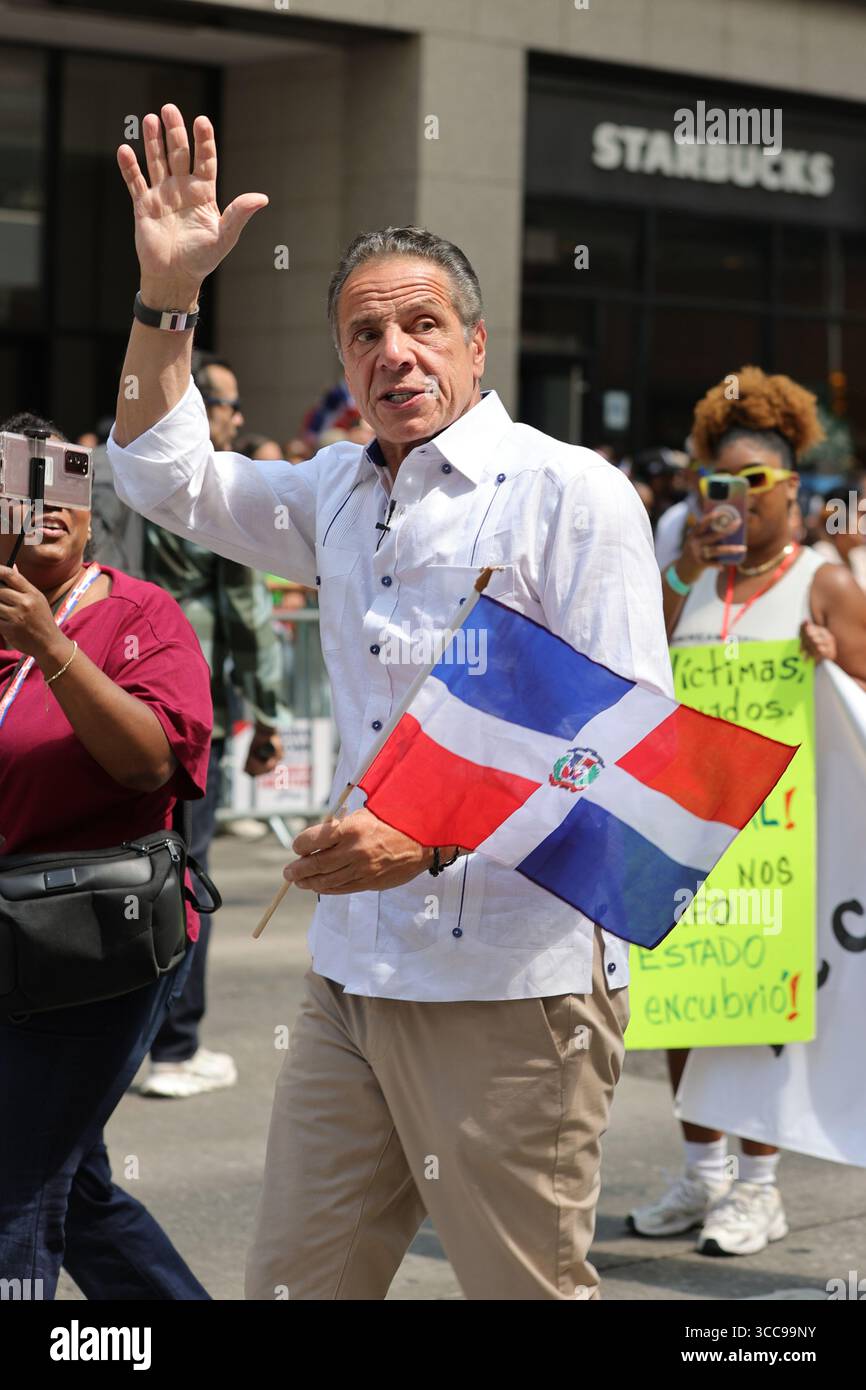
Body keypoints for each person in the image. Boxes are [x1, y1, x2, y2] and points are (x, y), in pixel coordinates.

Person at [108, 105, 672, 1301]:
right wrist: (166, 296)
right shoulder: (333, 489)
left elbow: (630, 752)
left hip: (515, 996)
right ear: (343, 365)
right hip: (352, 979)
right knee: (292, 1285)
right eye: (365, 334)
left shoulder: (573, 495)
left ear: (475, 347)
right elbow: (161, 475)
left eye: (422, 325)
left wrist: (425, 837)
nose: (393, 352)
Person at [632, 366, 866, 1256]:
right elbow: (631, 663)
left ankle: (760, 1189)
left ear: (792, 489)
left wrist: (832, 663)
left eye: (748, 483)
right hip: (685, 831)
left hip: (781, 843)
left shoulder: (823, 583)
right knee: (681, 1008)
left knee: (757, 1009)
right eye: (712, 484)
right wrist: (683, 565)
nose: (728, 499)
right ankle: (704, 1178)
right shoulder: (682, 576)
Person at [0, 411, 212, 1299]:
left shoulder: (138, 612)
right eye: (22, 480)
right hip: (10, 936)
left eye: (67, 482)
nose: (48, 502)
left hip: (101, 942)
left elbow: (147, 762)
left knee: (17, 1180)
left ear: (94, 509)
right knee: (70, 1183)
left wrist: (49, 643)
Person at [138, 350, 286, 1099]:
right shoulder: (209, 489)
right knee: (184, 872)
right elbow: (245, 611)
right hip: (183, 703)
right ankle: (174, 1046)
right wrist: (267, 713)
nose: (232, 420)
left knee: (113, 865)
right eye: (224, 406)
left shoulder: (106, 471)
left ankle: (118, 1043)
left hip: (94, 692)